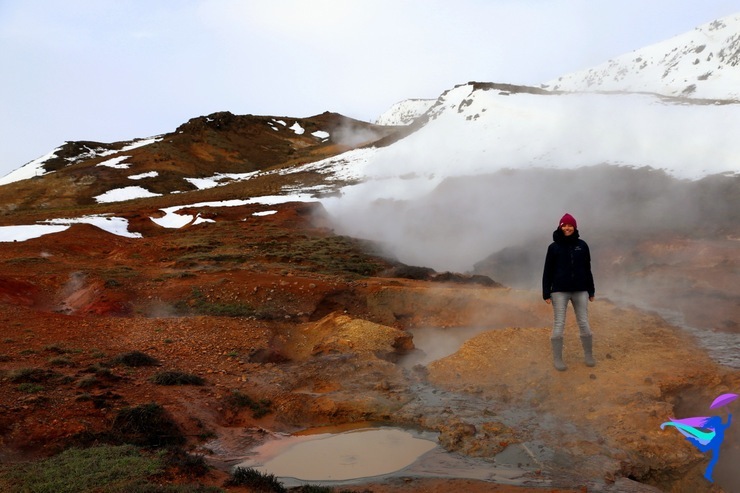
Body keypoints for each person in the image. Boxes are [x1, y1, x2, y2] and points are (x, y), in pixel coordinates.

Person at [542, 213, 595, 371]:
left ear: (575, 227)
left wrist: (591, 290)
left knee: (584, 323)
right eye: (564, 225)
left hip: (580, 290)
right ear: (560, 226)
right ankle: (558, 359)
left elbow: (587, 269)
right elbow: (548, 271)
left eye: (570, 225)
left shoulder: (582, 245)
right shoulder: (554, 247)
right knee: (559, 325)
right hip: (559, 291)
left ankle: (588, 355)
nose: (567, 228)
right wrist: (546, 292)